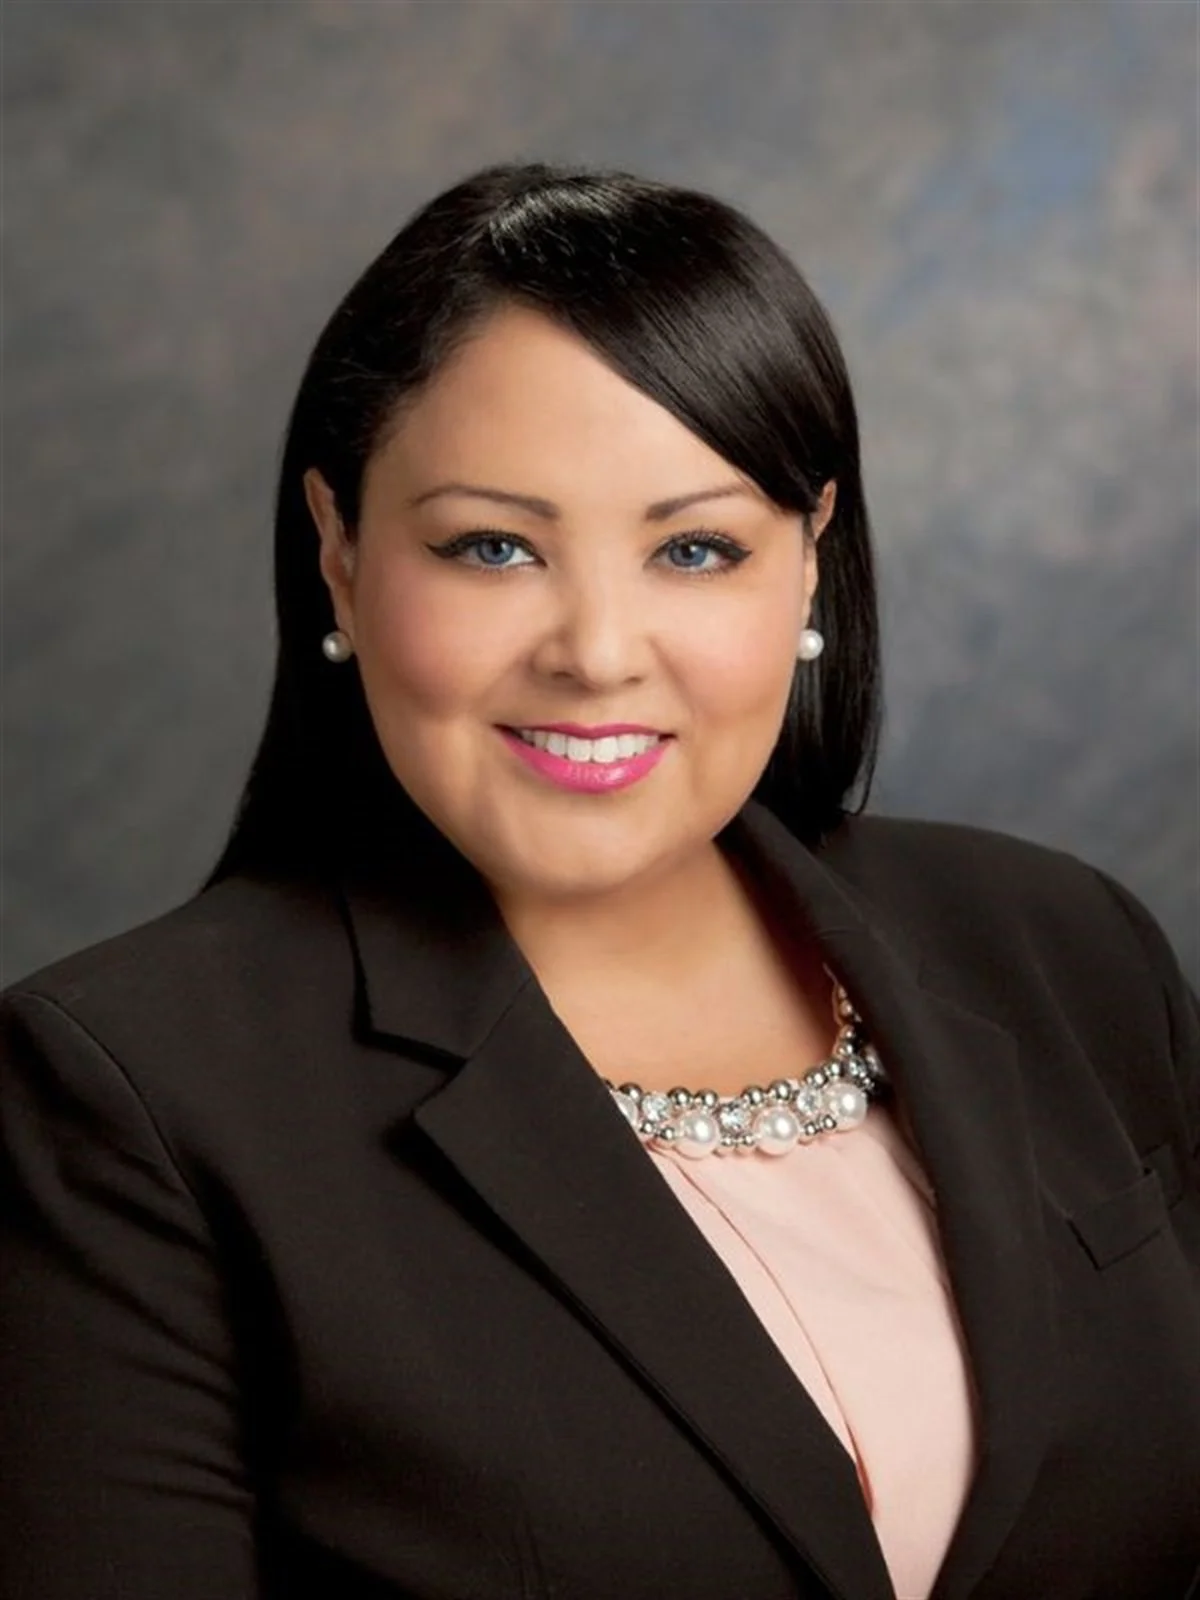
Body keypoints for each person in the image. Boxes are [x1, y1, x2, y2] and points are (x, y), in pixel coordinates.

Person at [1, 160, 1197, 1600]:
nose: (598, 650)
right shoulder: (122, 1097)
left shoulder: (1064, 946)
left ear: (808, 562)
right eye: (493, 547)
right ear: (340, 553)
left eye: (696, 549)